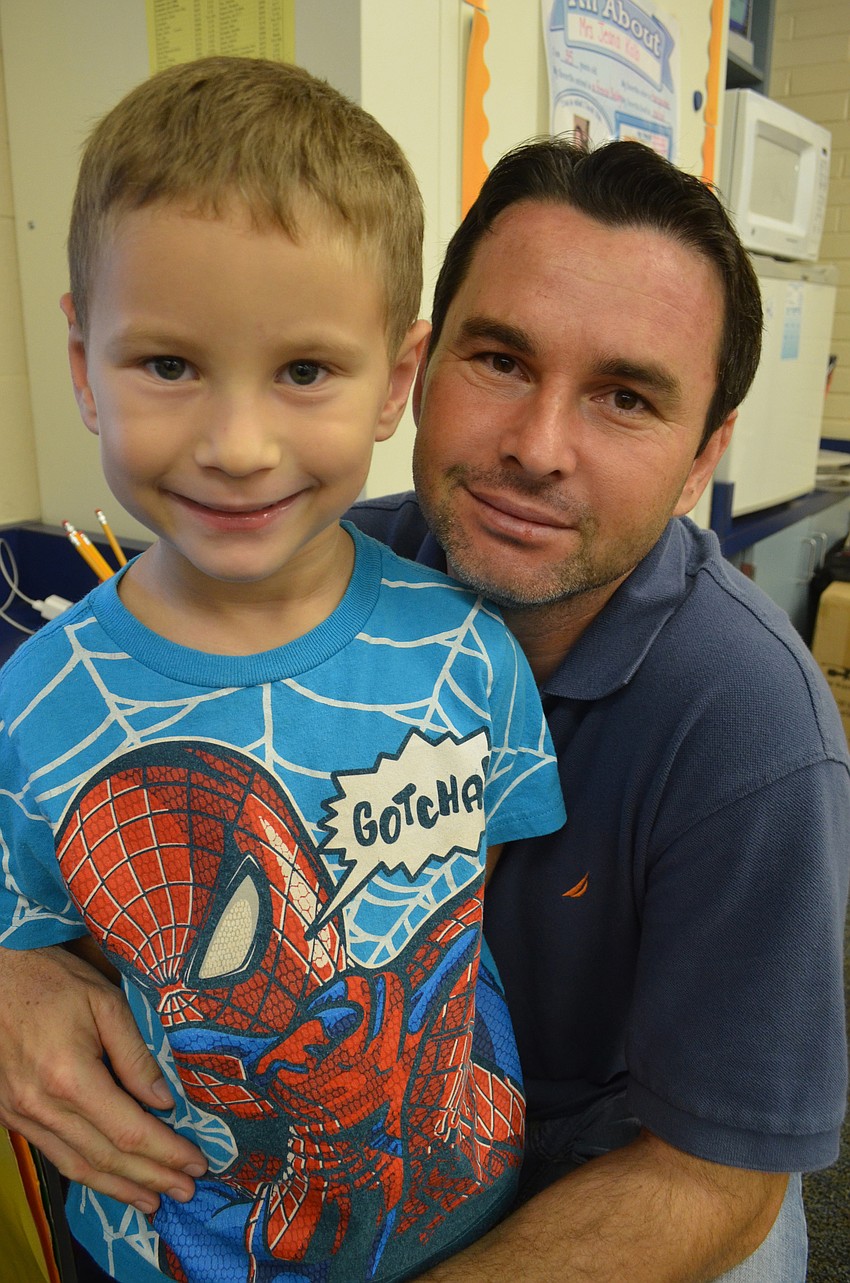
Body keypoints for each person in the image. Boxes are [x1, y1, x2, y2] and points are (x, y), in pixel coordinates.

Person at [0, 132, 846, 1283]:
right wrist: (16, 969)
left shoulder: (757, 733)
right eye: (499, 358)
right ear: (420, 366)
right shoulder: (308, 550)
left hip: (624, 1163)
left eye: (625, 396)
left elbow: (718, 1169)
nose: (537, 449)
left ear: (705, 455)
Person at [0, 59, 567, 1283]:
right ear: (82, 358)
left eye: (304, 370)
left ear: (396, 382)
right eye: (168, 365)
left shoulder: (468, 653)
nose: (237, 445)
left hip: (468, 1223)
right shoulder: (32, 706)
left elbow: (483, 920)